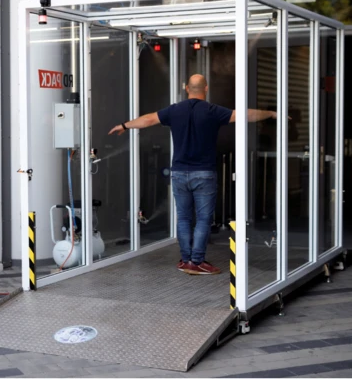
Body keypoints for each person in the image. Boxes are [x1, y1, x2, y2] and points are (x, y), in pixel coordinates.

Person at [108, 74, 277, 275]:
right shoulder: (213, 111)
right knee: (204, 219)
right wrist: (272, 114)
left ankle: (186, 259)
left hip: (179, 173)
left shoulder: (174, 110)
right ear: (205, 88)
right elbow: (245, 115)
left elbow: (148, 119)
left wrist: (125, 125)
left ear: (187, 88)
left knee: (184, 218)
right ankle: (196, 261)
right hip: (204, 173)